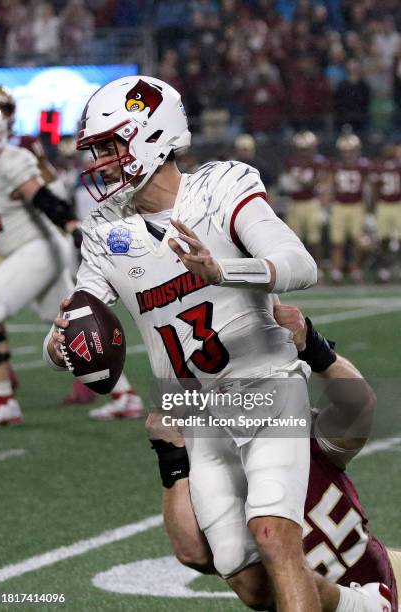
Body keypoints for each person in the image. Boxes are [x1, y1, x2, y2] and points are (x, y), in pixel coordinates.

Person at [44, 74, 321, 611]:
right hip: (195, 411)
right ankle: (364, 606)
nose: (100, 161)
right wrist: (61, 347)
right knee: (244, 578)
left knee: (273, 535)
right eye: (96, 149)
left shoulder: (221, 187)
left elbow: (300, 265)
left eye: (110, 146)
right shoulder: (105, 230)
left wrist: (223, 270)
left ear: (152, 134)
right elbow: (75, 324)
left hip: (265, 383)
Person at [146, 302, 397, 612]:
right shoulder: (207, 460)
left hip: (375, 581)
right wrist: (171, 457)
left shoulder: (293, 426)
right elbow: (193, 553)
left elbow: (359, 408)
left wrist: (314, 346)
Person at [0, 85, 143, 420]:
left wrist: (73, 225)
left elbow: (43, 198)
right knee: (73, 328)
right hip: (35, 252)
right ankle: (125, 396)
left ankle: (2, 400)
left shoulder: (11, 158)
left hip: (37, 251)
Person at [279, 131, 329, 272]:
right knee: (293, 240)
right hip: (295, 202)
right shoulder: (291, 162)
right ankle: (296, 269)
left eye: (307, 148)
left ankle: (317, 268)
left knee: (315, 239)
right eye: (302, 149)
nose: (304, 152)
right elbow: (285, 183)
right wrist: (300, 182)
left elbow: (318, 181)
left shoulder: (318, 161)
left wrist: (301, 182)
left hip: (311, 202)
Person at [328, 134, 373, 284]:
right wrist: (327, 205)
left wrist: (369, 211)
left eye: (351, 150)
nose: (348, 154)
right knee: (337, 241)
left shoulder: (363, 166)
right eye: (346, 151)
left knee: (357, 241)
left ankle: (355, 268)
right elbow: (330, 186)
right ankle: (336, 271)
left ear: (357, 150)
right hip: (339, 205)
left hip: (357, 205)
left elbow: (368, 189)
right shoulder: (336, 166)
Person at [371, 144, 401, 283]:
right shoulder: (379, 166)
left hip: (397, 204)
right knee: (382, 239)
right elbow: (375, 187)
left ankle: (396, 267)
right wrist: (374, 205)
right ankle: (383, 269)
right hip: (383, 204)